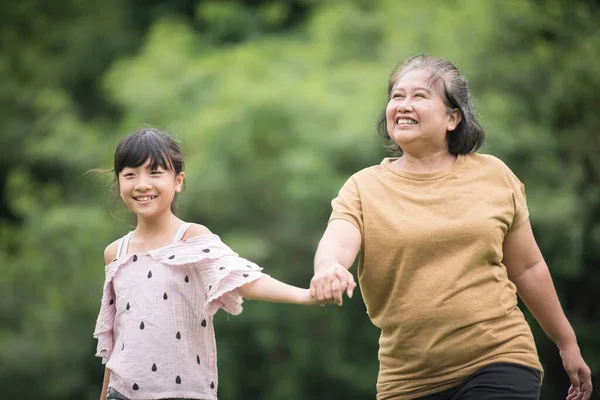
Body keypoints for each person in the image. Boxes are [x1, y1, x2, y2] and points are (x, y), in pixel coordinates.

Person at [310, 55, 593, 400]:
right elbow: (339, 238)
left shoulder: (493, 175)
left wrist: (566, 342)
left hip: (499, 356)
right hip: (407, 380)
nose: (403, 105)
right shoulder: (363, 186)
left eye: (419, 96)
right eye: (397, 96)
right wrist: (328, 268)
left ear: (452, 117)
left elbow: (528, 267)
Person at [93, 128, 315, 400]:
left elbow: (242, 278)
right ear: (119, 182)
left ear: (178, 181)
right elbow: (116, 338)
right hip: (123, 393)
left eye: (155, 172)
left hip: (185, 392)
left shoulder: (192, 239)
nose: (142, 184)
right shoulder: (115, 252)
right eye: (130, 174)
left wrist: (306, 295)